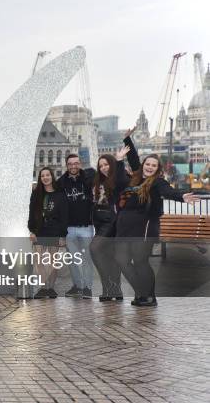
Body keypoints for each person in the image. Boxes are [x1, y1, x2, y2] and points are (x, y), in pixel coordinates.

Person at [114, 154, 200, 307]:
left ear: (157, 169)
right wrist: (122, 155)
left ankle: (149, 297)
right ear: (143, 165)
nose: (150, 167)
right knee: (122, 260)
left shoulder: (157, 182)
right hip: (125, 228)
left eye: (154, 165)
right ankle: (141, 292)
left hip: (144, 228)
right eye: (148, 164)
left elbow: (167, 191)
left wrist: (181, 196)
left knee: (141, 262)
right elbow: (124, 174)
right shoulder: (135, 179)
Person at [89, 129, 140, 301]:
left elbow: (133, 167)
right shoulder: (98, 181)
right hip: (101, 224)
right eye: (101, 165)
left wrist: (121, 155)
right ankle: (113, 291)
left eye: (106, 164)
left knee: (94, 249)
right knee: (109, 256)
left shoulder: (120, 179)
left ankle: (111, 288)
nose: (103, 168)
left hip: (114, 223)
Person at [58, 154, 95, 299]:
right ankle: (77, 285)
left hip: (86, 226)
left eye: (76, 163)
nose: (73, 166)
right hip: (69, 228)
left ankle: (87, 288)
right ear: (66, 165)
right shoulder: (61, 182)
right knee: (72, 260)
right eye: (70, 164)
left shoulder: (88, 177)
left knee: (86, 258)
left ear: (80, 164)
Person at [28, 167, 68, 298]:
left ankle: (51, 288)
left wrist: (63, 235)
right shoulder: (36, 193)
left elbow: (64, 216)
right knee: (37, 260)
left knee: (53, 261)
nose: (45, 177)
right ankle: (44, 287)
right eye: (42, 176)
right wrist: (32, 230)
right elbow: (32, 213)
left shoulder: (60, 194)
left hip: (54, 230)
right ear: (40, 178)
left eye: (48, 175)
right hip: (39, 230)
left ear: (52, 176)